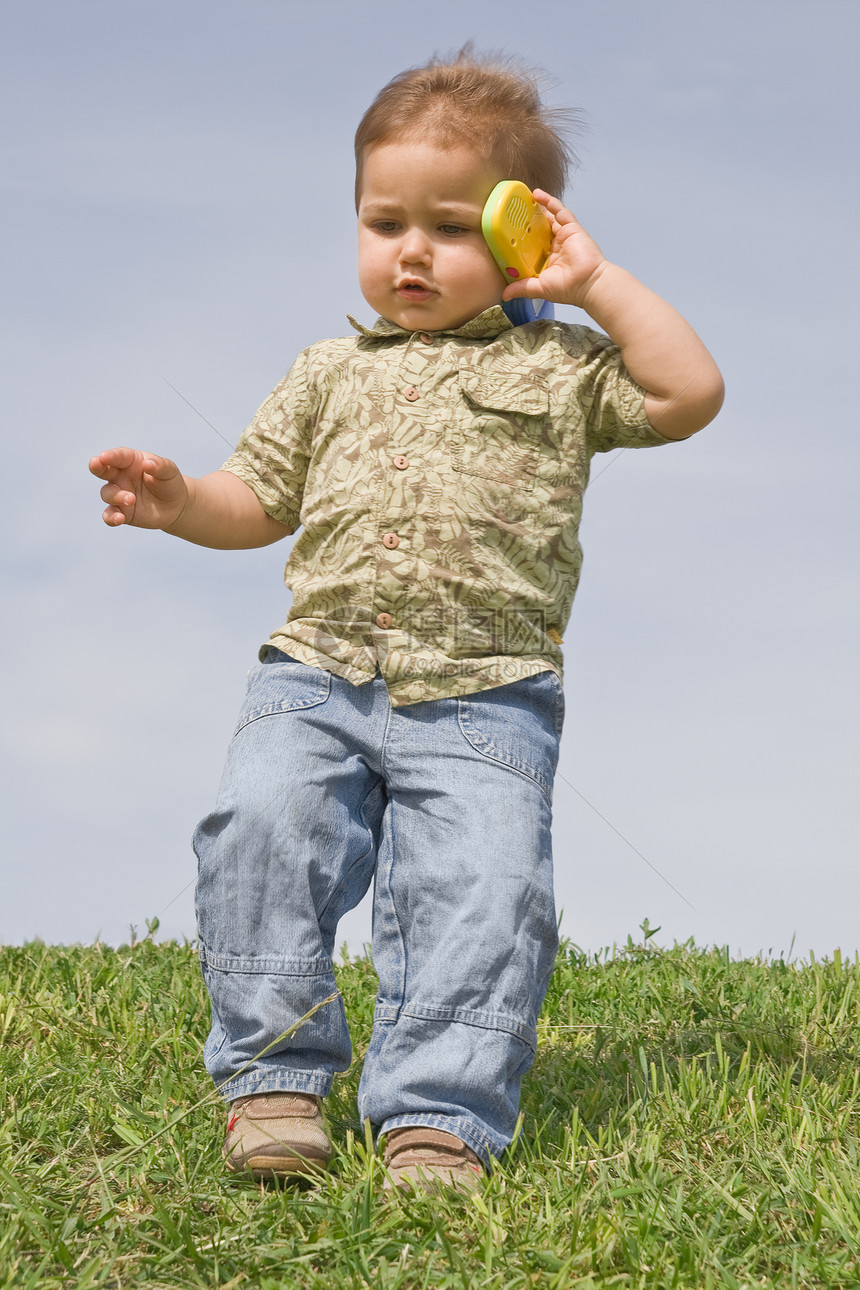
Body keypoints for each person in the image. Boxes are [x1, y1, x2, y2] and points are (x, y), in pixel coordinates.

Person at [89, 48, 723, 1194]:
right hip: (316, 672)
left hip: (488, 691)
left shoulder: (563, 368)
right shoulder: (326, 371)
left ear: (524, 237)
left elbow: (686, 395)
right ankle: (275, 1083)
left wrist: (596, 285)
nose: (412, 251)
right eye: (385, 222)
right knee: (259, 831)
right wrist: (183, 504)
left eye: (451, 225)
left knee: (482, 893)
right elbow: (258, 501)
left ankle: (435, 1117)